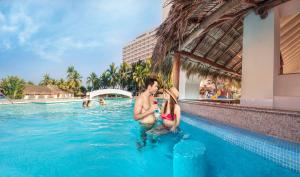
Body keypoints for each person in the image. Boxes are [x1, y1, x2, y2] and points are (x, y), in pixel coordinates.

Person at [134, 77, 159, 148]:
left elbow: (155, 111)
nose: (157, 88)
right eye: (156, 86)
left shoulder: (153, 98)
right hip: (144, 127)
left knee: (155, 144)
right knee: (142, 145)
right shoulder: (140, 99)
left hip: (154, 125)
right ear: (149, 87)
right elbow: (135, 117)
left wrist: (159, 113)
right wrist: (149, 111)